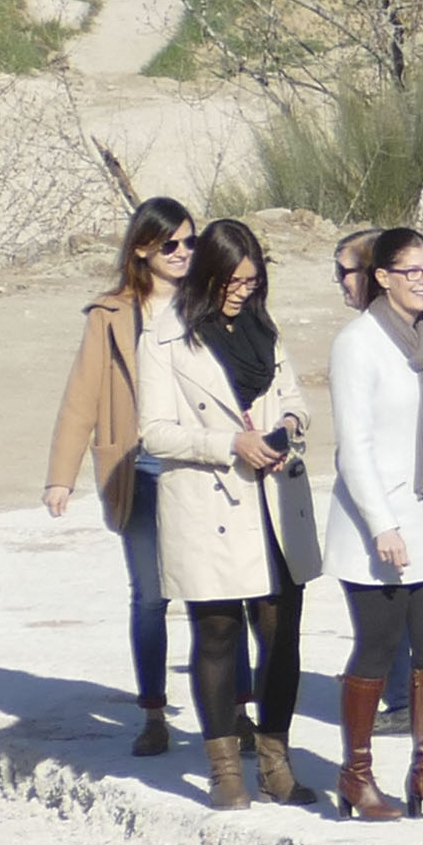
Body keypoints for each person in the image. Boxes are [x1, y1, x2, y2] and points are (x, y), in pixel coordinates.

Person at [138, 218, 317, 814]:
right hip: (207, 500)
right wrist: (228, 445)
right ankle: (224, 774)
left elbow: (293, 396)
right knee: (215, 634)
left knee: (281, 635)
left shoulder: (266, 329)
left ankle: (275, 765)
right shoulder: (165, 338)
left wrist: (289, 425)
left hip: (272, 501)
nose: (244, 290)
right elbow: (155, 434)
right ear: (209, 276)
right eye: (234, 281)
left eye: (253, 280)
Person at [330, 222, 423, 822]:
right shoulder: (357, 343)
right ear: (383, 278)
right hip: (383, 525)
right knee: (376, 651)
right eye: (412, 272)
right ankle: (357, 777)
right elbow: (355, 447)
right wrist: (382, 525)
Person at [44, 196, 197, 754]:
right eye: (170, 244)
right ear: (142, 249)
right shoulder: (110, 315)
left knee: (214, 596)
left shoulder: (207, 304)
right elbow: (81, 397)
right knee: (151, 596)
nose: (183, 253)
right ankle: (154, 714)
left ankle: (230, 716)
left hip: (200, 465)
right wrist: (60, 477)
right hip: (139, 469)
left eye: (189, 242)